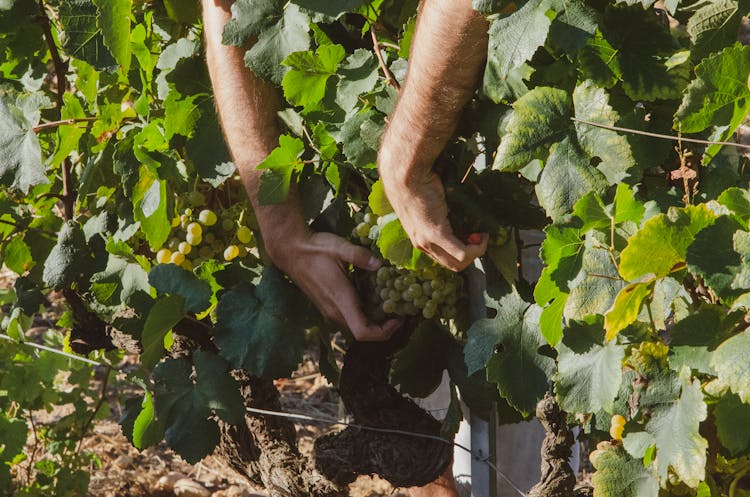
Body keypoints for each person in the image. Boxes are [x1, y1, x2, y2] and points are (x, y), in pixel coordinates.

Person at [202, 1, 490, 495]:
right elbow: (226, 8)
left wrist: (406, 159)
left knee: (509, 438)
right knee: (422, 424)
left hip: (494, 113)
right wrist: (278, 221)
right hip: (362, 162)